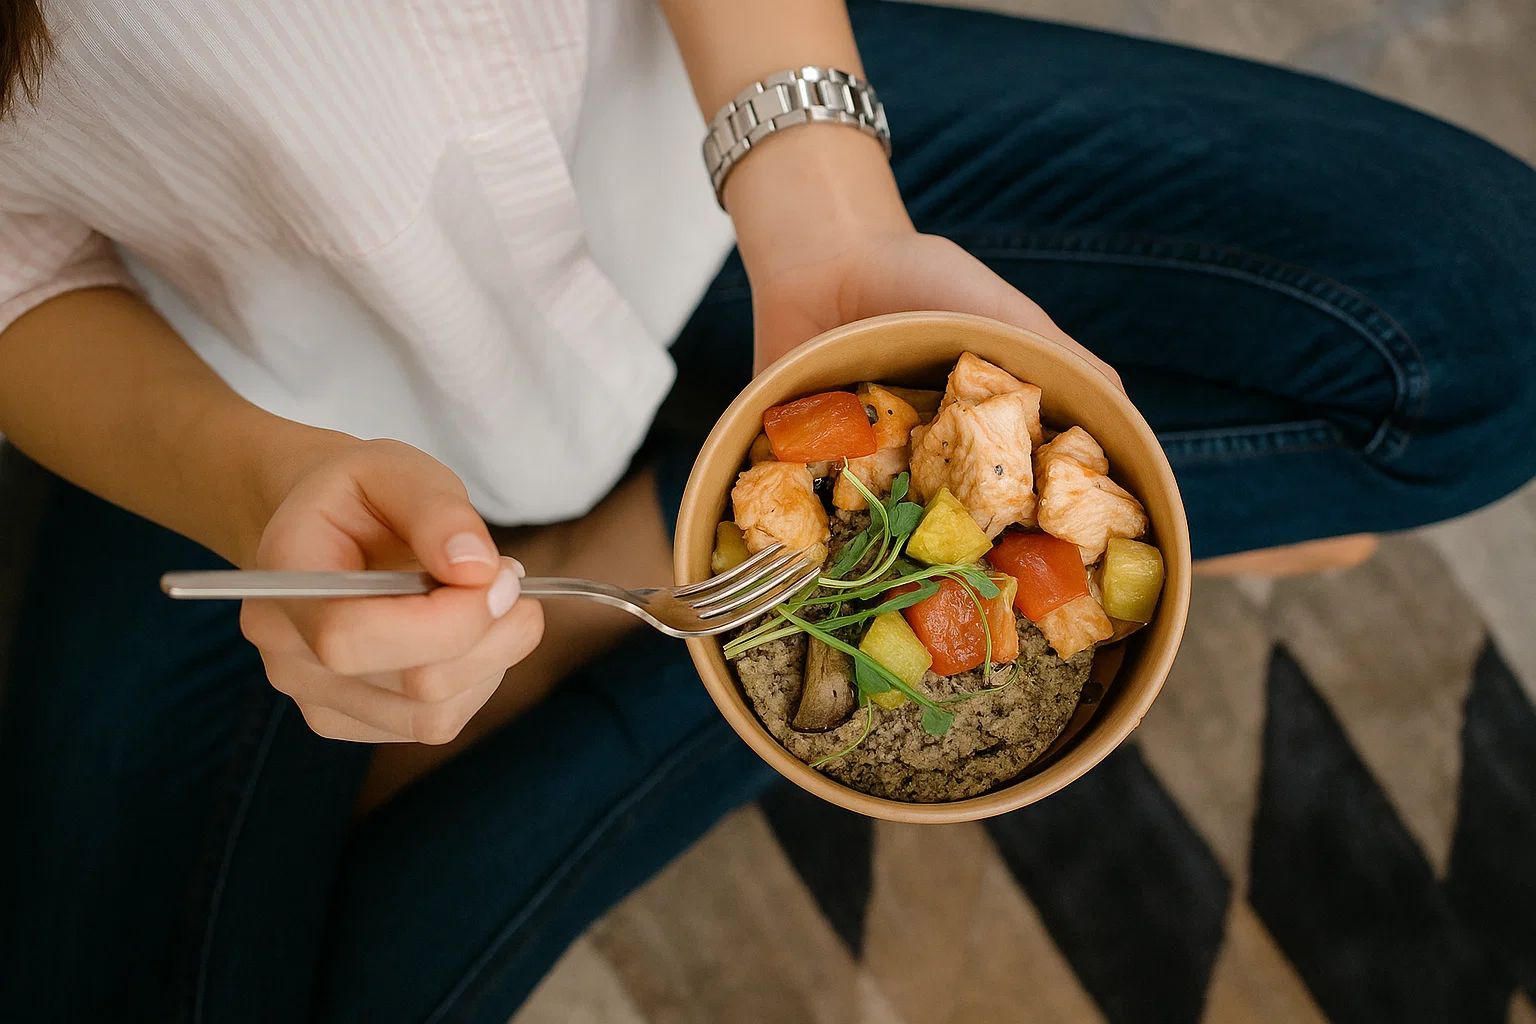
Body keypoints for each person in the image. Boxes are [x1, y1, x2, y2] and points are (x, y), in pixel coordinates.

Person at [0, 0, 1532, 1019]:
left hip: (721, 151)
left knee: (1494, 327)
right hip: (249, 389)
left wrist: (829, 197)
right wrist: (249, 481)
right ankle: (728, 641)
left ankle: (657, 584)